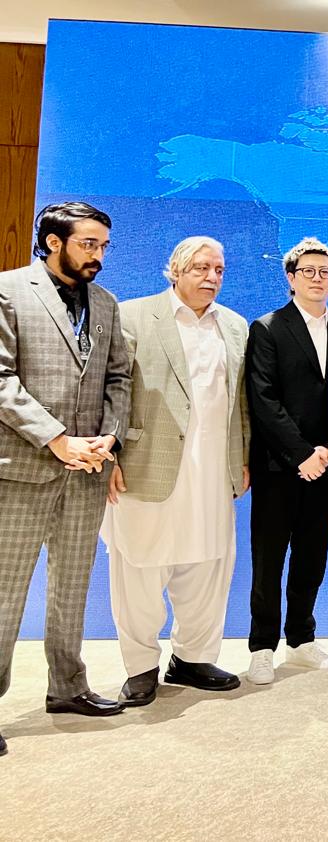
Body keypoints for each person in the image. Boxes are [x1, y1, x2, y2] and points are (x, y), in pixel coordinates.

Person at [0, 202, 131, 755]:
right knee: (5, 592)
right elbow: (1, 378)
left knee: (72, 586)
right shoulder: (8, 290)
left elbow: (119, 376)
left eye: (103, 246)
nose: (98, 255)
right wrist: (57, 438)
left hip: (88, 472)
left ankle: (68, 687)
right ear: (54, 242)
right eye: (88, 244)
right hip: (23, 469)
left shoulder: (105, 303)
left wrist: (110, 437)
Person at [105, 236, 250, 706]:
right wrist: (109, 455)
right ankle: (140, 666)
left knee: (208, 566)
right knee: (140, 568)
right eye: (201, 268)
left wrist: (243, 456)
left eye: (219, 270)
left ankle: (193, 659)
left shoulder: (234, 325)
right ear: (175, 270)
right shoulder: (132, 316)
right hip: (146, 465)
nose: (212, 277)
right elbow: (108, 389)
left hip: (214, 469)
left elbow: (241, 400)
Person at [244, 238, 328, 685]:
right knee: (268, 559)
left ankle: (301, 639)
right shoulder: (268, 327)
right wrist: (302, 454)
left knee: (312, 557)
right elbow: (263, 399)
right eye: (308, 271)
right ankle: (262, 646)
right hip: (279, 466)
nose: (317, 278)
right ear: (291, 278)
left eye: (325, 272)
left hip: (327, 465)